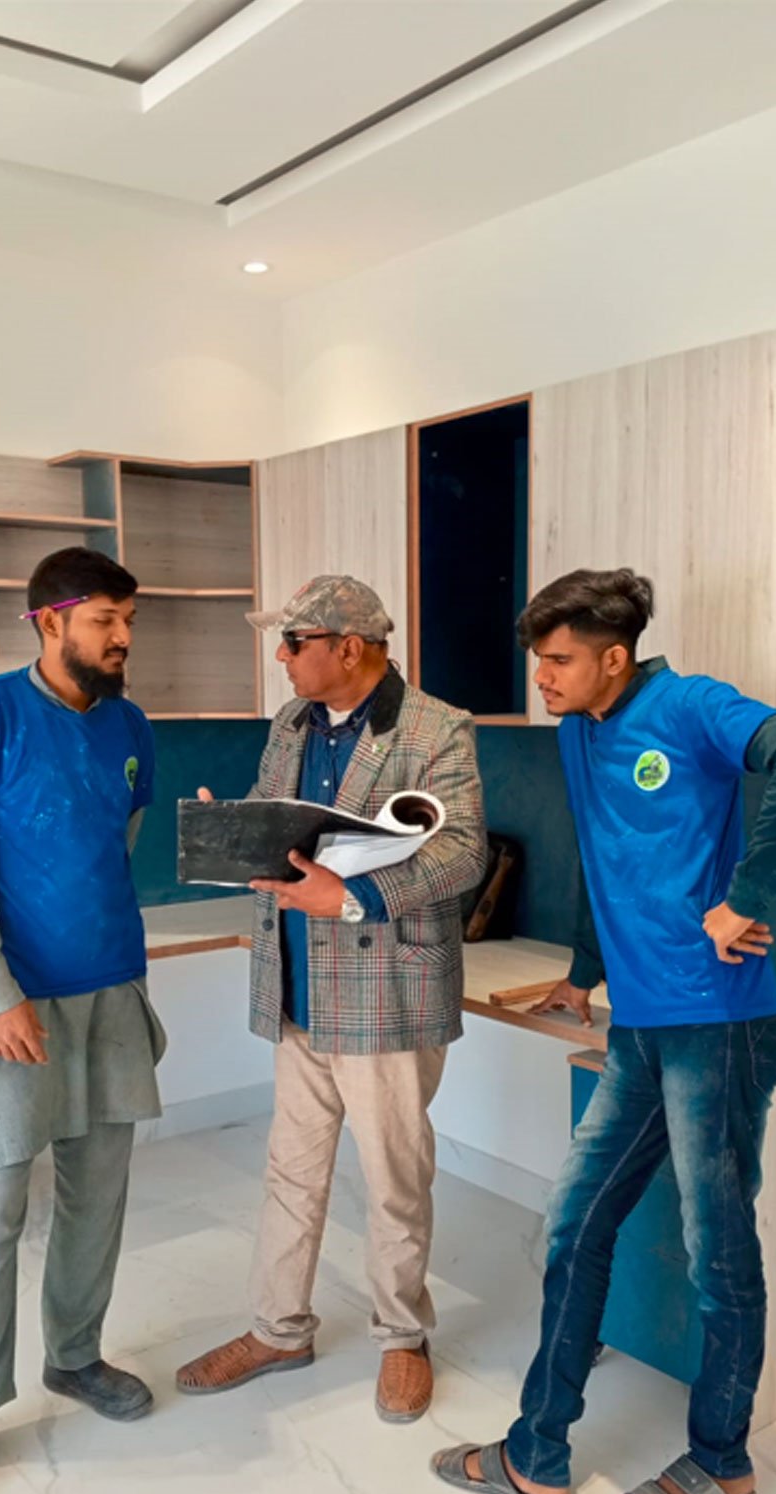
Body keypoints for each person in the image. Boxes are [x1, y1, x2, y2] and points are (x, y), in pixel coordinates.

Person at [432, 567, 776, 1494]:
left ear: (614, 657)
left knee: (717, 1249)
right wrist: (583, 972)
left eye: (558, 660)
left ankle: (723, 1462)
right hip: (639, 1030)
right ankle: (536, 1454)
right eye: (537, 661)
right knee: (575, 1224)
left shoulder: (690, 706)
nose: (542, 678)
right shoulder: (579, 732)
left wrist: (745, 898)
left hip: (719, 1026)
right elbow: (604, 857)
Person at [175, 575, 487, 1423]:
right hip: (298, 983)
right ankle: (278, 1330)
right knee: (291, 1170)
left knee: (393, 1180)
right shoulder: (290, 723)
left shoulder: (436, 728)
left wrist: (354, 896)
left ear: (349, 648)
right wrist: (234, 830)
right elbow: (284, 822)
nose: (281, 657)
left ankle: (402, 1337)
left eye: (294, 642)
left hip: (387, 988)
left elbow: (463, 853)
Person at [0, 547, 166, 1494]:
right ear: (50, 622)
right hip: (10, 1000)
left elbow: (115, 840)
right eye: (105, 620)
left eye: (128, 619)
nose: (123, 636)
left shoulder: (131, 725)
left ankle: (75, 1356)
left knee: (99, 1193)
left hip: (111, 986)